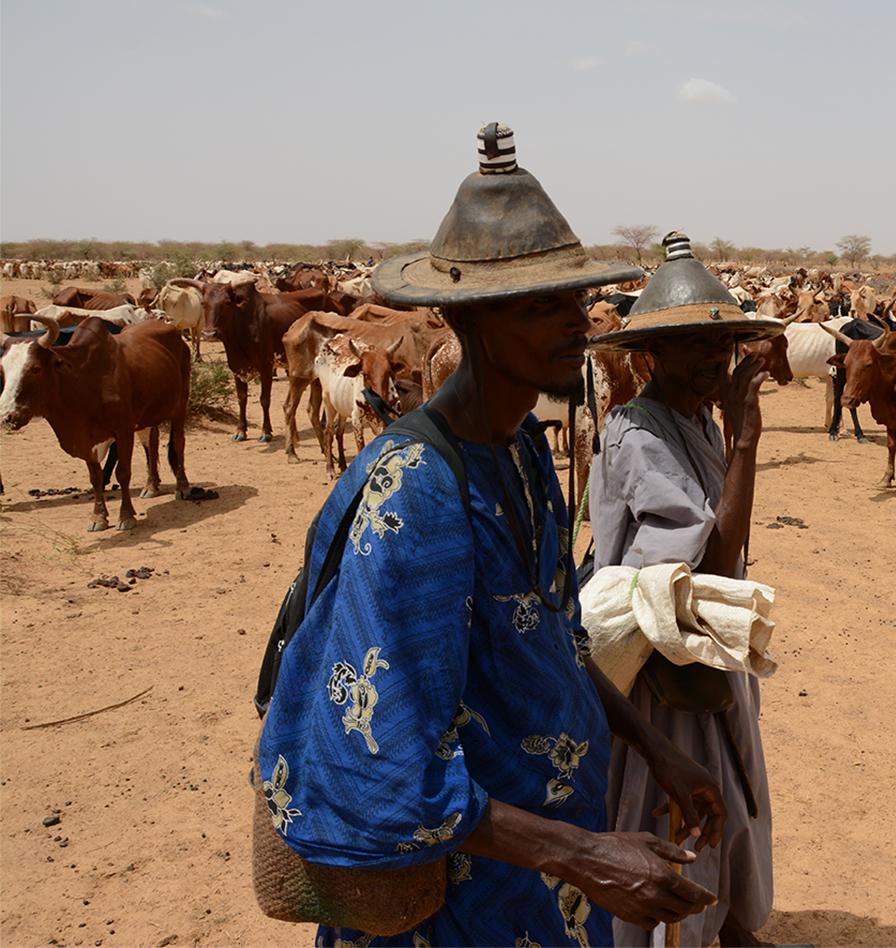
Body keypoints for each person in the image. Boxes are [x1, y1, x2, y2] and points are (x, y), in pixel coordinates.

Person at [256, 125, 727, 947]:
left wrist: (656, 747)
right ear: (467, 320)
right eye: (542, 306)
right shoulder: (420, 494)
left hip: (540, 894)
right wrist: (585, 854)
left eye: (575, 299)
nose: (576, 323)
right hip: (456, 910)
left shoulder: (521, 451)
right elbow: (383, 764)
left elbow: (556, 640)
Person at [587, 232, 784, 948]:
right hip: (660, 663)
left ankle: (730, 925)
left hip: (705, 644)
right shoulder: (637, 433)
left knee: (731, 785)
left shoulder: (695, 417)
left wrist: (729, 433)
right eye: (696, 350)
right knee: (674, 796)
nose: (714, 364)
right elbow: (715, 557)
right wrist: (747, 441)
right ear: (650, 356)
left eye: (723, 348)